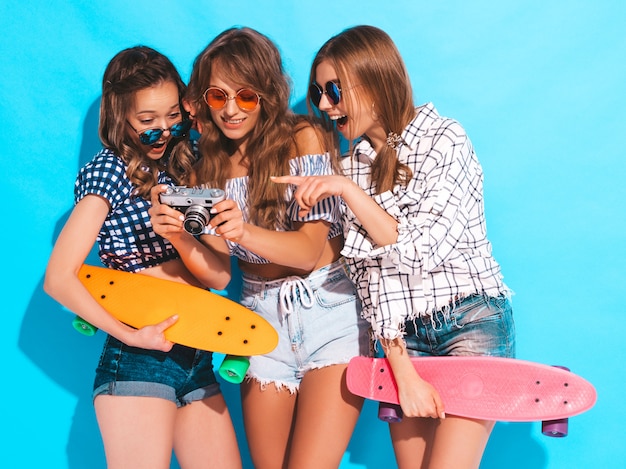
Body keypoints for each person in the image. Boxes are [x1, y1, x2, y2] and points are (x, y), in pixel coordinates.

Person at [273, 25, 516, 469]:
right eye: (318, 93)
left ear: (373, 80)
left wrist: (349, 192)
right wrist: (402, 368)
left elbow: (422, 252)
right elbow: (371, 283)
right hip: (404, 343)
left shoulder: (445, 139)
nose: (326, 105)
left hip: (470, 324)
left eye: (334, 90)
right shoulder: (350, 169)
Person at [148, 27, 370, 469]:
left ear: (266, 93)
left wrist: (243, 232)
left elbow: (309, 250)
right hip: (258, 319)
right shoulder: (204, 165)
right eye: (217, 96)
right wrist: (175, 233)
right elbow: (218, 272)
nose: (231, 110)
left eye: (245, 96)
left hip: (329, 309)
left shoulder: (302, 136)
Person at [44, 46, 242, 469]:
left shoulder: (187, 168)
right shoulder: (109, 172)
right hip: (138, 359)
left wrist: (178, 233)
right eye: (147, 122)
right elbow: (59, 278)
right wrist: (131, 335)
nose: (164, 131)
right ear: (121, 119)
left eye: (173, 117)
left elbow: (221, 276)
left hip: (196, 355)